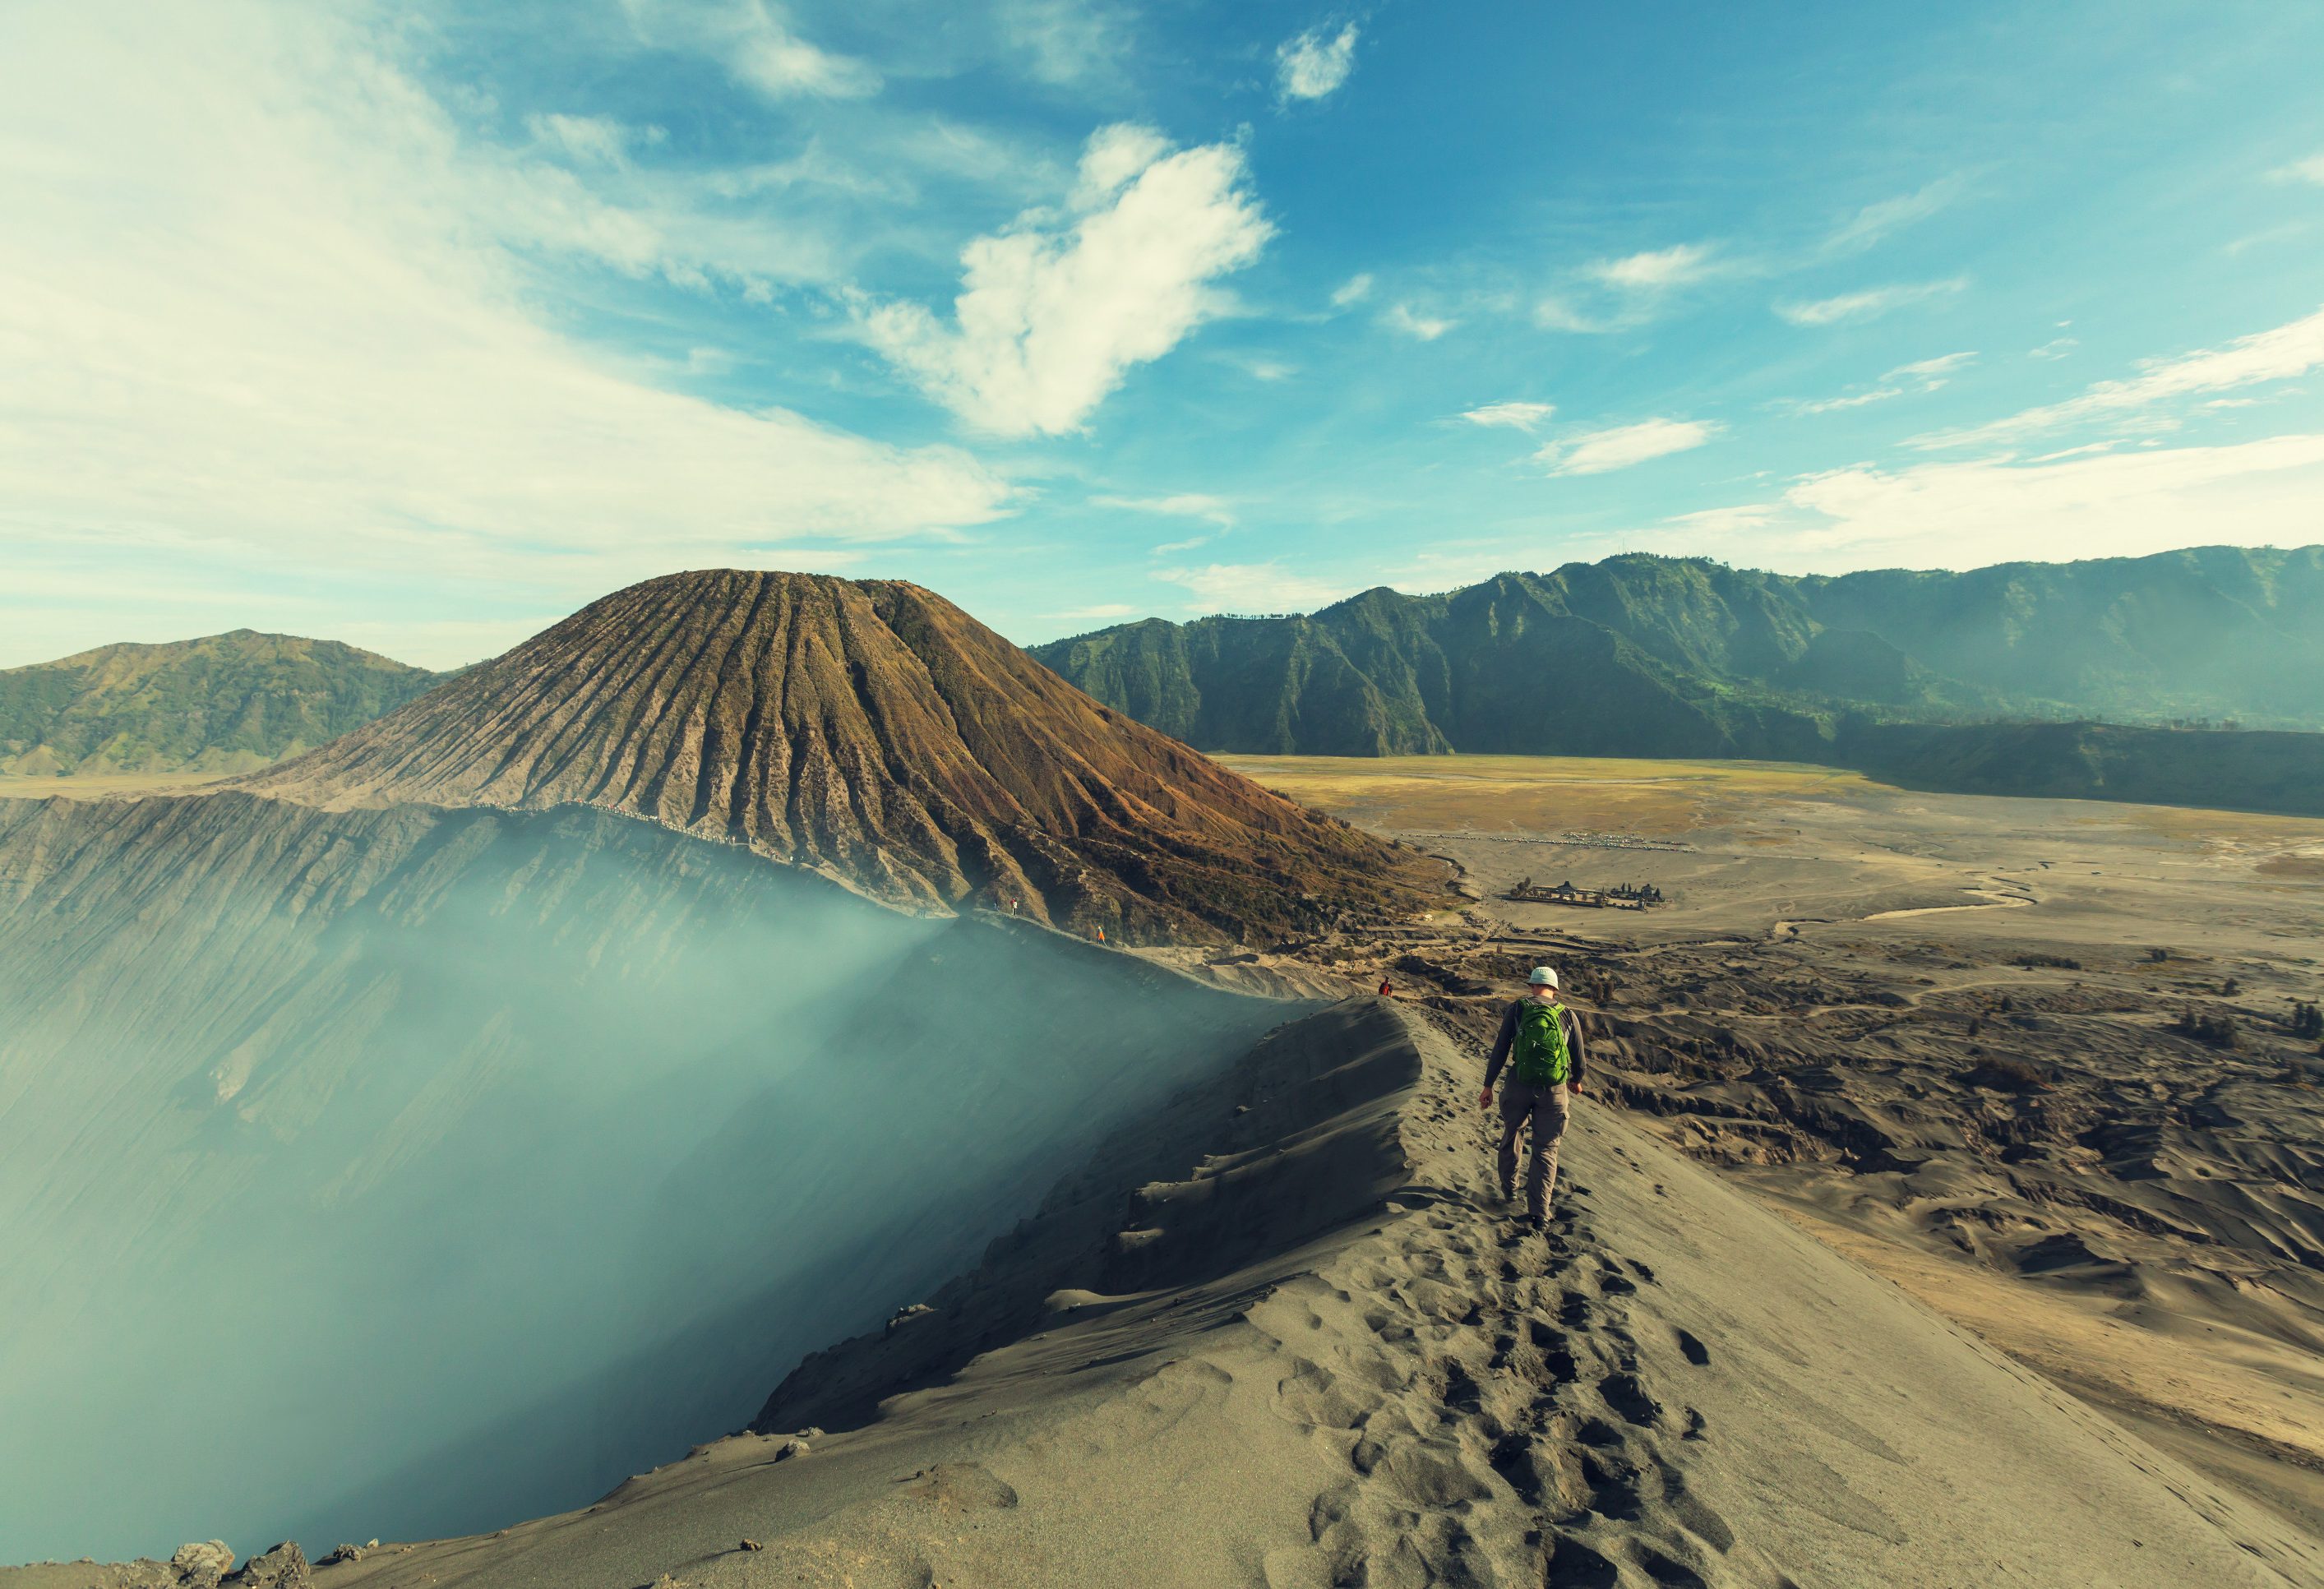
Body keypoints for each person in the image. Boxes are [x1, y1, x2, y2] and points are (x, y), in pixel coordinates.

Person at [1478, 966, 1586, 1227]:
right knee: (1546, 1150)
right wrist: (1576, 1081)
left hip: (1519, 1084)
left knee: (1512, 1134)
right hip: (1554, 1091)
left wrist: (1488, 1085)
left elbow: (1501, 1048)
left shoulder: (1518, 1009)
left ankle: (1509, 1189)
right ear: (1555, 989)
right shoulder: (1568, 1015)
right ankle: (1539, 1213)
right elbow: (1579, 1058)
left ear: (1532, 986)